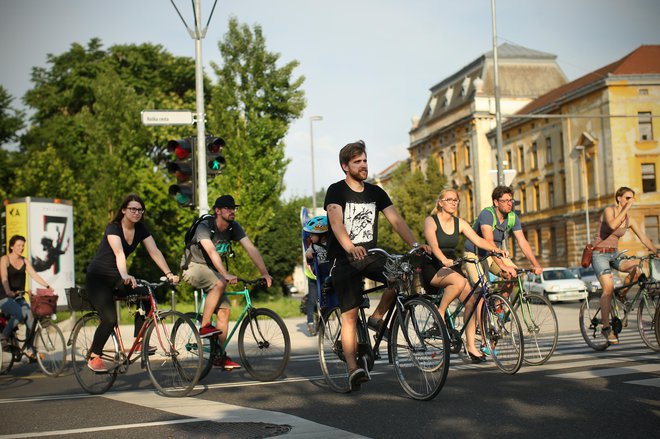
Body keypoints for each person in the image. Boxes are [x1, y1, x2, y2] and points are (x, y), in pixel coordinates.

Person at [324, 140, 429, 391]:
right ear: (345, 166)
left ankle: (378, 316)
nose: (363, 165)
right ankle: (353, 368)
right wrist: (350, 246)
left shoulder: (376, 193)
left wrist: (415, 244)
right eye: (357, 162)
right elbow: (337, 223)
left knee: (400, 272)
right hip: (345, 259)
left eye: (365, 160)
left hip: (370, 256)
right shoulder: (336, 191)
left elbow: (396, 220)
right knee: (348, 316)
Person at [85, 194, 179, 372]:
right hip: (98, 278)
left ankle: (139, 341)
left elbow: (154, 251)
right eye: (133, 209)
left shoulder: (141, 229)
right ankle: (94, 355)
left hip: (117, 277)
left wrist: (168, 273)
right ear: (123, 210)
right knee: (110, 318)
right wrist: (125, 275)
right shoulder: (113, 228)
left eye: (140, 210)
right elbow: (119, 253)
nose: (137, 213)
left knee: (146, 292)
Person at [181, 194, 273, 370]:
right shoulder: (205, 226)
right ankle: (205, 325)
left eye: (234, 209)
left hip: (213, 271)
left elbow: (251, 248)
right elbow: (211, 251)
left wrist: (265, 273)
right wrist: (225, 274)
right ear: (217, 210)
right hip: (193, 266)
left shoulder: (234, 227)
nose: (232, 211)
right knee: (220, 282)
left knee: (224, 312)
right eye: (228, 208)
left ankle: (219, 356)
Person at [423, 189, 507, 363]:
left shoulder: (459, 223)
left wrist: (496, 250)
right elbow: (434, 245)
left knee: (471, 300)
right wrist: (443, 259)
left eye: (456, 200)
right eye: (449, 200)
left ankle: (471, 346)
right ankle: (439, 314)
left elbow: (478, 240)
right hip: (433, 266)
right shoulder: (431, 221)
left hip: (451, 266)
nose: (454, 203)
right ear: (440, 202)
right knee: (459, 280)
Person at [591, 186, 658, 345]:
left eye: (632, 198)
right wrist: (627, 207)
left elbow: (643, 238)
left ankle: (621, 295)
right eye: (627, 198)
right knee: (608, 288)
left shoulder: (629, 219)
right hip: (599, 254)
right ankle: (606, 328)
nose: (630, 201)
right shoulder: (609, 211)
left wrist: (656, 251)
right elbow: (613, 225)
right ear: (619, 198)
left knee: (638, 267)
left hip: (614, 254)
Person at [464, 185, 543, 288]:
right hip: (474, 253)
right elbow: (489, 241)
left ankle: (500, 303)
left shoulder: (512, 217)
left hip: (493, 254)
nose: (510, 204)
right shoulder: (487, 214)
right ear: (496, 202)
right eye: (505, 201)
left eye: (511, 200)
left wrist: (535, 264)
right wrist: (503, 266)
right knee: (482, 288)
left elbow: (523, 242)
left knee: (514, 275)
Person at [0, 235, 52, 357]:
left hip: (18, 297)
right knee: (20, 313)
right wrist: (8, 291)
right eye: (18, 245)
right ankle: (4, 337)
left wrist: (47, 286)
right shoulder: (5, 259)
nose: (21, 248)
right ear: (12, 246)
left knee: (31, 318)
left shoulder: (24, 261)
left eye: (23, 245)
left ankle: (29, 349)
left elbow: (34, 274)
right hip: (4, 296)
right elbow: (4, 277)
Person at [303, 215, 329, 336]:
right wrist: (309, 253)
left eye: (313, 234)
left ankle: (324, 318)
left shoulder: (330, 245)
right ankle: (310, 323)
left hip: (328, 276)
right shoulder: (313, 246)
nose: (310, 236)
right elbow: (308, 251)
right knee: (313, 299)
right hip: (315, 275)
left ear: (322, 235)